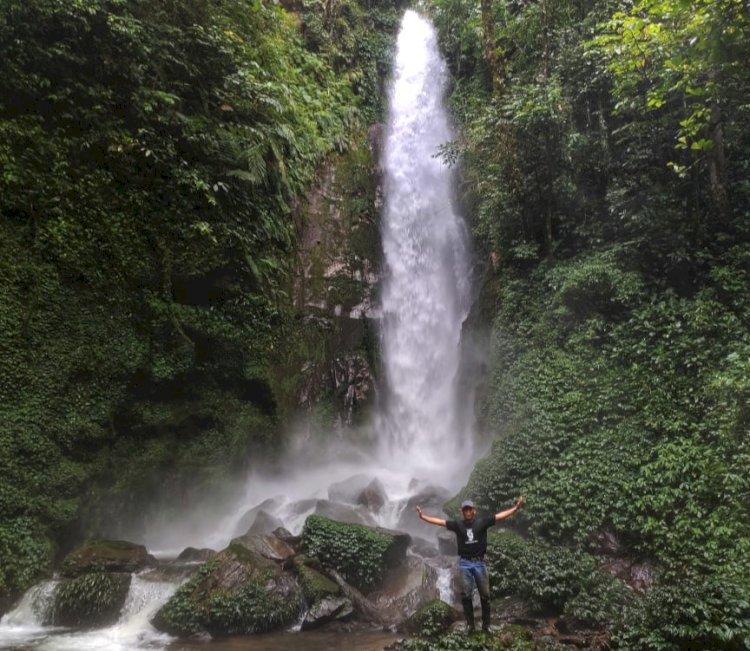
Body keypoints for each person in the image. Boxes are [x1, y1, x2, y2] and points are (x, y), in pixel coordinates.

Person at [416, 496, 524, 633]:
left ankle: (486, 625)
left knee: (485, 595)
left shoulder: (482, 522)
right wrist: (422, 516)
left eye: (469, 509)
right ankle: (470, 626)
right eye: (465, 510)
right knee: (466, 596)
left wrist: (515, 508)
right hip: (465, 564)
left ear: (474, 511)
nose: (467, 512)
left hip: (479, 563)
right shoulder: (458, 525)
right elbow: (440, 522)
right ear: (463, 512)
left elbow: (499, 516)